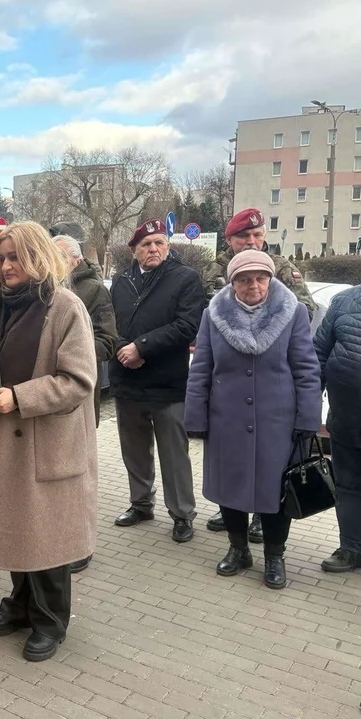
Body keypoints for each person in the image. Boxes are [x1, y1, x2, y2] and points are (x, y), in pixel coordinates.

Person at [0, 221, 98, 662]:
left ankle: (51, 621)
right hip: (7, 439)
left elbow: (79, 380)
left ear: (38, 257)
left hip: (47, 441)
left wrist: (19, 397)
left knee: (48, 536)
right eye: (2, 258)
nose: (6, 266)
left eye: (16, 257)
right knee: (18, 528)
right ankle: (21, 605)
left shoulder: (65, 307)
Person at [185, 250, 320, 588]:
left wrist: (308, 418)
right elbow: (201, 368)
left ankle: (275, 557)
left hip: (279, 420)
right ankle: (238, 549)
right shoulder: (213, 315)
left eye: (261, 278)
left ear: (271, 279)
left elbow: (306, 369)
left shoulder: (293, 313)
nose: (253, 285)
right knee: (229, 488)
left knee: (276, 492)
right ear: (232, 283)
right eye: (244, 279)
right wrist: (195, 417)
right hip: (226, 418)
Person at [203, 209, 316, 540]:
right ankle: (235, 516)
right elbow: (206, 316)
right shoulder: (214, 269)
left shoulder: (280, 268)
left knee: (271, 470)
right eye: (244, 237)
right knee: (233, 467)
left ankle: (261, 521)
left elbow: (304, 313)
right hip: (231, 386)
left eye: (257, 235)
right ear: (230, 241)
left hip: (271, 382)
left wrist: (267, 326)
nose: (251, 241)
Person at [109, 219, 204, 542]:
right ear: (134, 250)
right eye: (146, 244)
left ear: (168, 247)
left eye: (159, 243)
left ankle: (181, 513)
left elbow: (187, 325)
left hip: (167, 383)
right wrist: (123, 348)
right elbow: (110, 325)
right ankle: (141, 503)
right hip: (128, 380)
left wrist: (141, 347)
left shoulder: (185, 278)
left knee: (173, 453)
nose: (153, 249)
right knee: (134, 450)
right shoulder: (120, 281)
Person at [54, 233, 117, 573]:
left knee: (80, 474)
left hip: (79, 397)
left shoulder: (95, 290)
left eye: (57, 255)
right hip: (50, 397)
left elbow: (108, 341)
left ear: (75, 260)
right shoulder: (45, 289)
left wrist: (68, 352)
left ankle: (82, 543)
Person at [314, 282, 361, 573]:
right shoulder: (343, 302)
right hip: (347, 420)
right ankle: (351, 548)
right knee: (347, 487)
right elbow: (318, 353)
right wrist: (306, 409)